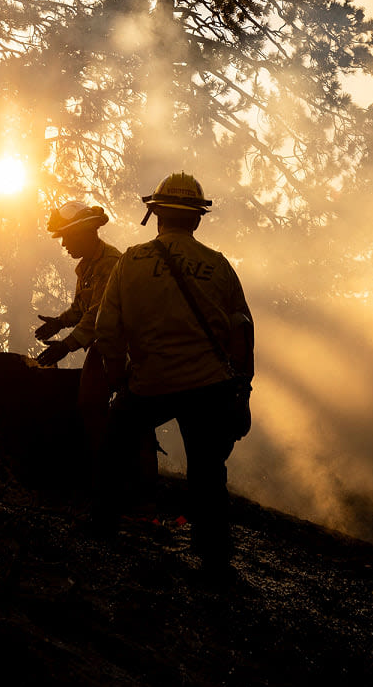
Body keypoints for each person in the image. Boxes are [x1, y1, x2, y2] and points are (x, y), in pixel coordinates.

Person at [92, 172, 254, 579]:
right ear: (197, 219)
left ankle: (101, 533)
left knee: (112, 453)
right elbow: (242, 331)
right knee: (207, 473)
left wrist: (117, 381)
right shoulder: (218, 266)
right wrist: (242, 391)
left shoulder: (130, 261)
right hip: (208, 387)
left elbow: (107, 330)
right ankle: (214, 559)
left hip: (148, 384)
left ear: (156, 214)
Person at [34, 200, 122, 367]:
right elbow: (81, 307)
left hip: (125, 354)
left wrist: (67, 345)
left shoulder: (109, 264)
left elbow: (98, 314)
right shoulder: (87, 266)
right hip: (107, 351)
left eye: (67, 237)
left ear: (82, 233)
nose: (64, 244)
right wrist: (59, 322)